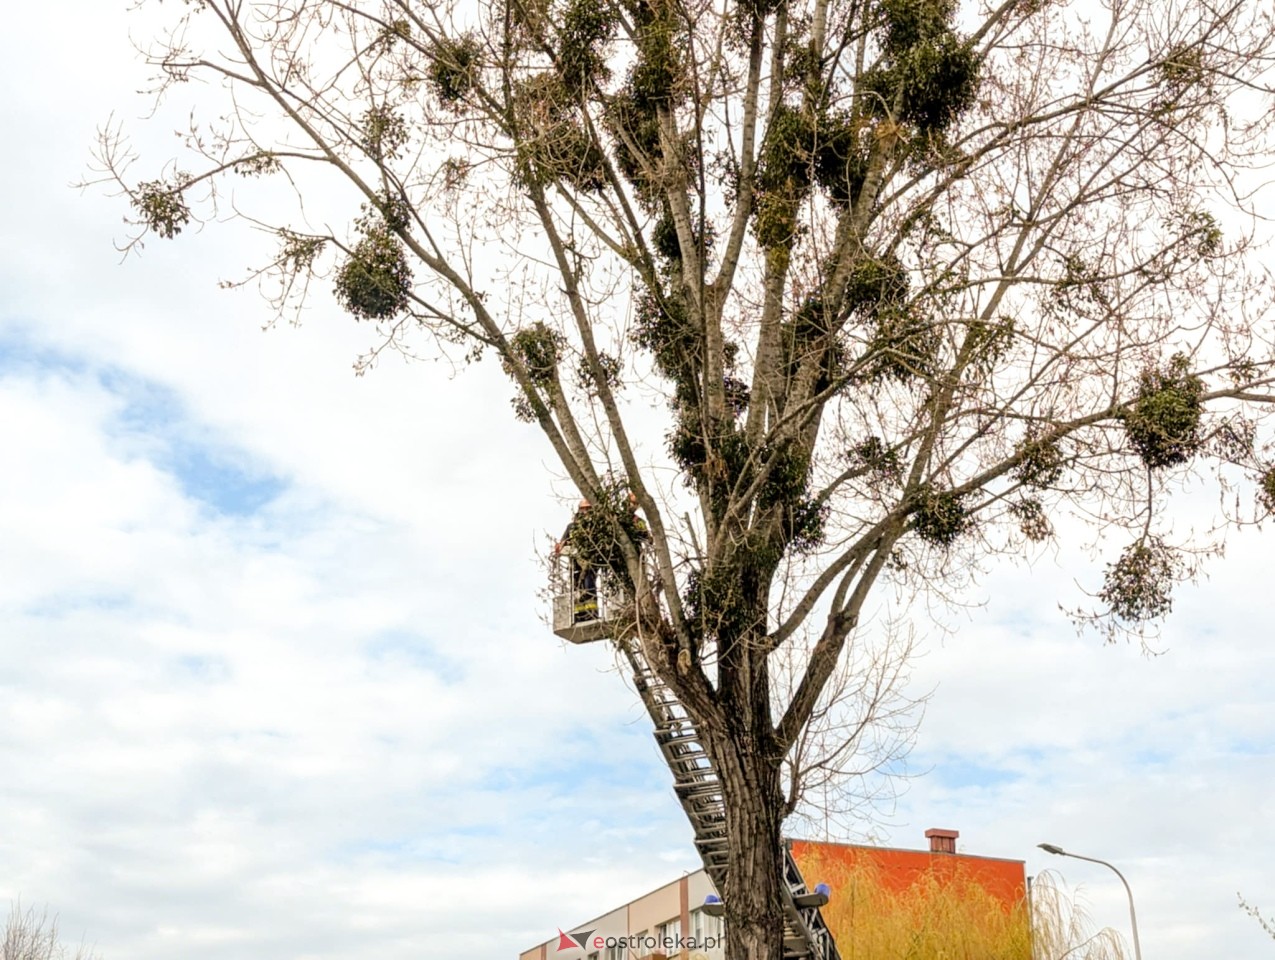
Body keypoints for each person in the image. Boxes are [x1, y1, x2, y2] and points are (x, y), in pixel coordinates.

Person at [555, 499, 598, 623]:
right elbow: (563, 542)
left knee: (589, 586)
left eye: (588, 508)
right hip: (575, 565)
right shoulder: (572, 527)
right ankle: (579, 615)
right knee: (576, 588)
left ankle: (591, 613)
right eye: (583, 508)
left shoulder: (594, 525)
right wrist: (560, 547)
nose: (585, 511)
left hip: (589, 562)